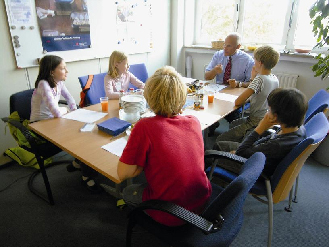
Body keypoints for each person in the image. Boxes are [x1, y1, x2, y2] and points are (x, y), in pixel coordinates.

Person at [117, 66, 212, 226]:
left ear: (149, 97)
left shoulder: (144, 126)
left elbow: (122, 174)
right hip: (202, 201)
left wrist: (141, 165)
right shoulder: (194, 121)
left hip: (171, 213)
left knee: (126, 191)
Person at [30, 55, 102, 193]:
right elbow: (57, 112)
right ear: (52, 71)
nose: (67, 71)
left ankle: (77, 163)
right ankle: (87, 175)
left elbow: (70, 99)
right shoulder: (43, 84)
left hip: (53, 121)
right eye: (63, 68)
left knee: (86, 131)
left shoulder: (59, 82)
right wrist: (67, 110)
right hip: (39, 125)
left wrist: (75, 112)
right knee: (80, 138)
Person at [211, 88, 308, 178]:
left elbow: (242, 152)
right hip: (258, 159)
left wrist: (260, 128)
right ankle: (219, 179)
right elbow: (264, 143)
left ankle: (220, 186)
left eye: (268, 109)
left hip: (255, 170)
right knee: (220, 145)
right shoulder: (297, 129)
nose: (267, 112)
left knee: (210, 155)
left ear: (275, 116)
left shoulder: (277, 145)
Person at [214, 45, 280, 150]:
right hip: (265, 116)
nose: (254, 62)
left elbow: (238, 101)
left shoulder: (260, 79)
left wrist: (253, 78)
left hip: (255, 120)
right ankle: (239, 140)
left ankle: (237, 148)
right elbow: (258, 92)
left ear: (260, 63)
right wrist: (253, 79)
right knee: (235, 123)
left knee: (219, 140)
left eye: (255, 59)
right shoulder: (274, 78)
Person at [205, 32, 255, 133]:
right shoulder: (218, 55)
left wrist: (238, 84)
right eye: (224, 44)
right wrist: (215, 71)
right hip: (218, 91)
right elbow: (207, 77)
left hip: (235, 93)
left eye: (228, 46)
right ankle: (212, 125)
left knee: (232, 115)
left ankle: (233, 134)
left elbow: (252, 83)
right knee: (205, 104)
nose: (225, 48)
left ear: (238, 46)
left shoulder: (248, 60)